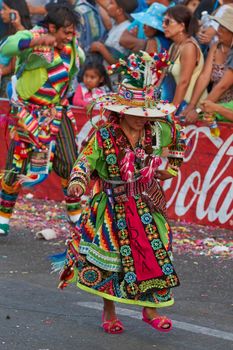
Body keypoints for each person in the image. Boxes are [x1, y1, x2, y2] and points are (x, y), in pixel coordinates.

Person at [56, 51, 187, 334]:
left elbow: (178, 133)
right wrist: (78, 182)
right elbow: (84, 161)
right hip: (112, 204)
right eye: (135, 114)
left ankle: (149, 309)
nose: (141, 119)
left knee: (157, 250)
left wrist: (172, 168)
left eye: (145, 114)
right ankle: (109, 310)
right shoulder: (103, 136)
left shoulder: (155, 131)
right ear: (121, 111)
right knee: (113, 257)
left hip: (145, 200)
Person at [0, 2, 85, 236]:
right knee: (16, 166)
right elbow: (6, 48)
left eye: (72, 32)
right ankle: (3, 217)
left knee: (70, 162)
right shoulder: (33, 37)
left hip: (57, 111)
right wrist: (34, 42)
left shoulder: (73, 47)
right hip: (29, 112)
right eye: (66, 32)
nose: (70, 36)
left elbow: (77, 67)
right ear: (51, 28)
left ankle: (75, 214)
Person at [183, 5, 233, 123]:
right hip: (212, 105)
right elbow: (204, 77)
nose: (218, 31)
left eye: (222, 29)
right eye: (219, 27)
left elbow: (223, 86)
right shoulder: (216, 46)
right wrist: (192, 104)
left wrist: (199, 110)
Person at [161, 4, 207, 114]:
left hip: (188, 110)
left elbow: (184, 82)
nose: (163, 25)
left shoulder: (189, 47)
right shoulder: (174, 46)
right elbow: (164, 75)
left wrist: (171, 112)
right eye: (163, 21)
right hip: (177, 103)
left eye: (168, 22)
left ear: (181, 26)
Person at [0, 0, 32, 97]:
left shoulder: (23, 35)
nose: (1, 12)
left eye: (4, 9)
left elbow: (13, 67)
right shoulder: (7, 32)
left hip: (9, 87)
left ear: (14, 12)